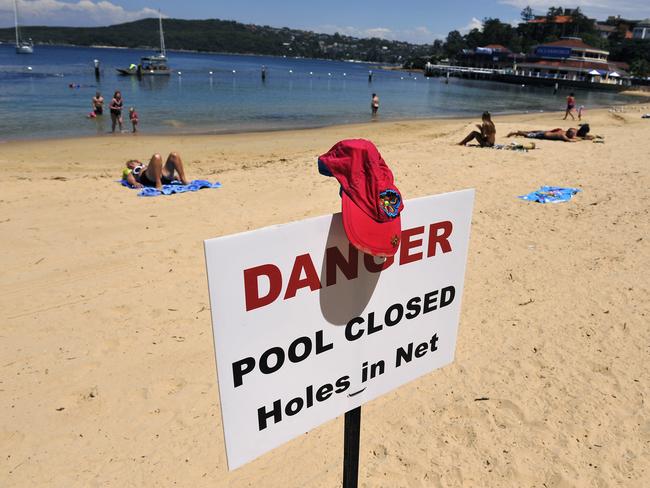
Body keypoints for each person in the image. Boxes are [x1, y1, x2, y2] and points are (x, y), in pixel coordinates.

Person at [122, 152, 189, 190]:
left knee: (174, 155)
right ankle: (158, 182)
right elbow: (129, 177)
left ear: (138, 162)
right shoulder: (134, 171)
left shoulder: (145, 166)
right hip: (151, 178)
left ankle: (183, 179)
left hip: (163, 175)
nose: (130, 165)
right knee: (157, 156)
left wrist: (174, 177)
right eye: (129, 165)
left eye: (132, 163)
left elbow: (160, 168)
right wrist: (134, 183)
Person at [507, 127, 579, 142]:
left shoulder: (564, 131)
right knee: (527, 135)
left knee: (531, 132)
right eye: (573, 134)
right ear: (569, 133)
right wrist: (578, 139)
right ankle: (515, 133)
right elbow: (569, 140)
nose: (573, 135)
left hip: (545, 132)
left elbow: (573, 130)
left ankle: (520, 131)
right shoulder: (562, 135)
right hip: (543, 135)